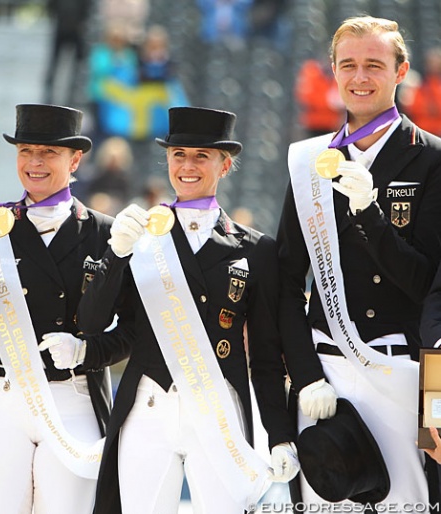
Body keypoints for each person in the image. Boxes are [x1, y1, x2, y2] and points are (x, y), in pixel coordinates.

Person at [77, 106, 299, 513]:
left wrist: (280, 432)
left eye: (202, 156)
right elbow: (91, 322)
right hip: (148, 405)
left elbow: (267, 356)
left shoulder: (256, 248)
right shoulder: (140, 236)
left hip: (219, 409)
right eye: (179, 155)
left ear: (225, 165)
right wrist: (115, 255)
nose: (188, 166)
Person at [277, 16, 441, 510]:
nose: (360, 77)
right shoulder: (310, 162)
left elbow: (428, 285)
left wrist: (369, 217)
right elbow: (286, 279)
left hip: (401, 372)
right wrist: (304, 375)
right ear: (333, 71)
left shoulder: (432, 159)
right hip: (325, 374)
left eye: (374, 64)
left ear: (401, 72)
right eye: (348, 65)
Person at [0, 103, 132, 514]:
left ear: (75, 159)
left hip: (73, 396)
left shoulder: (104, 232)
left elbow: (131, 332)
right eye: (26, 151)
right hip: (2, 395)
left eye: (48, 153)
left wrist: (86, 352)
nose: (34, 163)